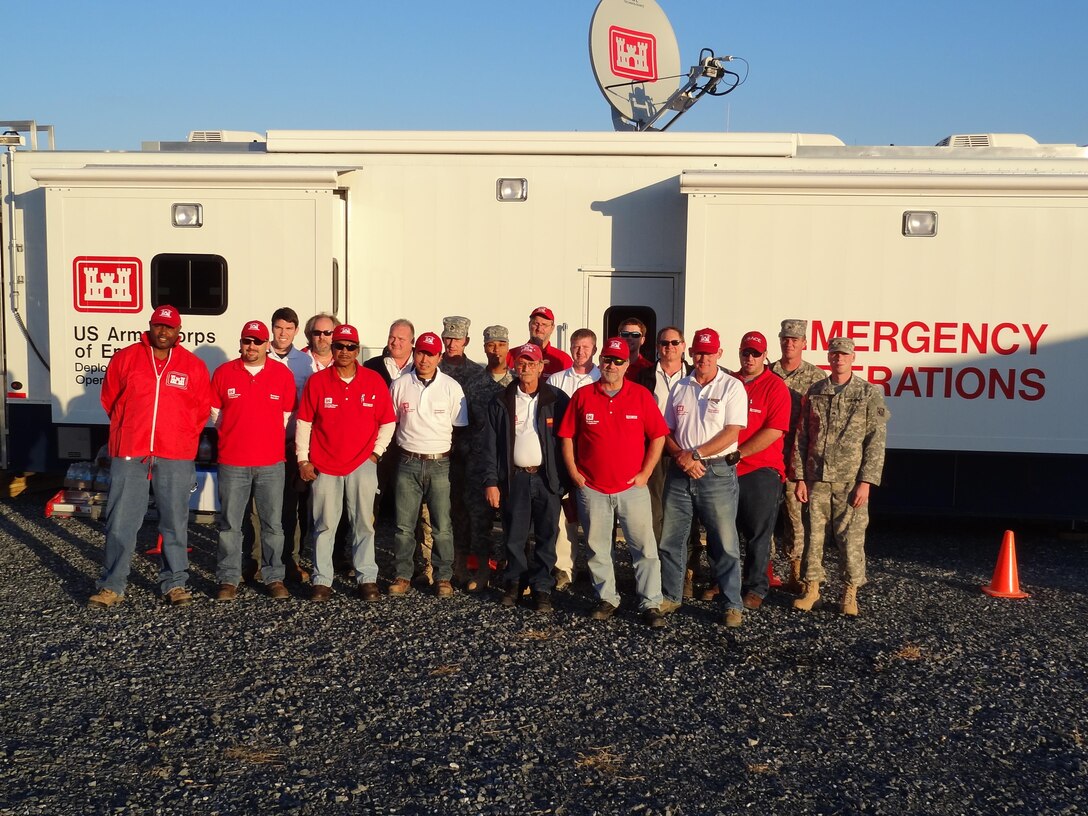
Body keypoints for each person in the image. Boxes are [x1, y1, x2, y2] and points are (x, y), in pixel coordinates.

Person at [88, 305, 212, 608]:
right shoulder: (126, 358)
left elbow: (200, 410)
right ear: (150, 326)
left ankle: (175, 583)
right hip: (131, 451)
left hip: (175, 454)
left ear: (178, 331)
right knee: (121, 521)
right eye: (159, 326)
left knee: (174, 521)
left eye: (169, 327)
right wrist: (128, 430)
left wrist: (180, 437)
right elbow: (110, 399)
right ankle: (112, 585)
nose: (163, 332)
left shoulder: (192, 365)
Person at [558, 337, 668, 629]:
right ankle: (607, 597)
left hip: (632, 488)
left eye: (618, 361)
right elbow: (567, 436)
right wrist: (574, 473)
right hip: (592, 487)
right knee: (596, 546)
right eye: (608, 359)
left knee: (644, 548)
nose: (612, 365)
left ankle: (651, 602)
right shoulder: (583, 396)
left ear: (627, 365)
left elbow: (658, 435)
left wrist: (645, 473)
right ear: (600, 361)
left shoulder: (641, 396)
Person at [296, 324, 396, 601]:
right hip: (325, 464)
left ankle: (366, 578)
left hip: (362, 464)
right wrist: (303, 460)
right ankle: (322, 580)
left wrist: (375, 453)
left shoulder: (373, 380)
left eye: (350, 347)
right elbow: (304, 422)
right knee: (324, 525)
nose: (344, 351)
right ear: (332, 347)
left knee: (364, 523)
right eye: (339, 345)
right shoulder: (318, 382)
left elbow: (388, 422)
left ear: (358, 349)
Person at [792, 337, 889, 617]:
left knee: (851, 538)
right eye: (835, 354)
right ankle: (812, 589)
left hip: (850, 481)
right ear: (829, 357)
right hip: (816, 478)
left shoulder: (868, 393)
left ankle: (850, 592)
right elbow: (802, 436)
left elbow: (875, 440)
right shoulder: (816, 391)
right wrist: (800, 477)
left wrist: (866, 482)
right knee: (812, 536)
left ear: (853, 357)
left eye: (844, 354)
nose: (839, 359)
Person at [658, 328, 748, 627]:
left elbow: (731, 432)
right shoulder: (680, 386)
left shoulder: (732, 387)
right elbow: (666, 431)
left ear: (719, 354)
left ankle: (732, 603)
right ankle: (671, 596)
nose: (702, 358)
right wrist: (683, 457)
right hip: (681, 471)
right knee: (672, 538)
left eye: (708, 353)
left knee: (724, 541)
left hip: (716, 472)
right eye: (698, 352)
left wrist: (694, 454)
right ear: (691, 353)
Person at [210, 320, 297, 601]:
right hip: (233, 462)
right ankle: (228, 578)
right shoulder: (224, 373)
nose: (252, 346)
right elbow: (216, 414)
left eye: (257, 342)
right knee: (231, 524)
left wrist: (264, 438)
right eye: (247, 341)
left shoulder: (281, 375)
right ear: (241, 342)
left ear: (266, 345)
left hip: (271, 462)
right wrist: (236, 435)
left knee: (273, 524)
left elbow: (285, 416)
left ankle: (274, 577)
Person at [482, 343, 570, 612]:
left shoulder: (557, 399)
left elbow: (567, 441)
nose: (526, 368)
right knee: (514, 535)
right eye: (522, 363)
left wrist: (564, 480)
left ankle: (542, 586)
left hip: (547, 479)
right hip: (515, 478)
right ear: (514, 366)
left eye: (532, 363)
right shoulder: (501, 400)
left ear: (542, 367)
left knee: (546, 534)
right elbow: (490, 445)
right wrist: (491, 482)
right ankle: (514, 583)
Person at [389, 332, 469, 597]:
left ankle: (443, 576)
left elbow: (460, 429)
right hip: (408, 461)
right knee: (404, 525)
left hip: (439, 464)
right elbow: (390, 423)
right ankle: (403, 574)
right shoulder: (400, 384)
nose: (424, 359)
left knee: (442, 525)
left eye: (431, 354)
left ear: (439, 357)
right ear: (414, 353)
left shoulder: (451, 387)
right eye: (421, 352)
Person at [730, 331, 791, 610]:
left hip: (760, 469)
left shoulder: (774, 387)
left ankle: (755, 587)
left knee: (757, 533)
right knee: (724, 531)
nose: (750, 358)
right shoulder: (728, 382)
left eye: (756, 353)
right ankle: (725, 581)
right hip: (725, 468)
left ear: (765, 356)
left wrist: (740, 453)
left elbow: (774, 430)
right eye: (746, 352)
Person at [770, 319, 827, 593]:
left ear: (805, 343)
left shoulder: (816, 378)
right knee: (765, 517)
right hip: (768, 455)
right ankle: (765, 571)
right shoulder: (768, 372)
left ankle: (795, 572)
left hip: (797, 459)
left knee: (796, 518)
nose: (789, 343)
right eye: (785, 338)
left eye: (795, 339)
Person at [546, 328, 601, 590]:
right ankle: (565, 568)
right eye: (576, 347)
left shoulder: (602, 378)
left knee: (596, 516)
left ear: (595, 350)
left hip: (593, 456)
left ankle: (597, 570)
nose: (580, 352)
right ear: (570, 348)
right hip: (562, 455)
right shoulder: (556, 380)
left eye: (586, 347)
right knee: (564, 516)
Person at [265, 306, 313, 583]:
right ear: (272, 328)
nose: (283, 334)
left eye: (288, 328)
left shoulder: (304, 362)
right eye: (278, 328)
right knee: (262, 507)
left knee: (291, 506)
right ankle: (258, 560)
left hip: (293, 442)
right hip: (264, 443)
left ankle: (290, 560)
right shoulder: (260, 354)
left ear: (296, 331)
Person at [507, 306, 573, 378]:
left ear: (552, 328)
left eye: (544, 325)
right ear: (529, 325)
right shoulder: (512, 355)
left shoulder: (563, 359)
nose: (539, 328)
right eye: (536, 324)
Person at [619, 317, 652, 382]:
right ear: (619, 337)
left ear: (642, 340)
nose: (629, 338)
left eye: (635, 335)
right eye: (625, 334)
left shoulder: (650, 369)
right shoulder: (608, 366)